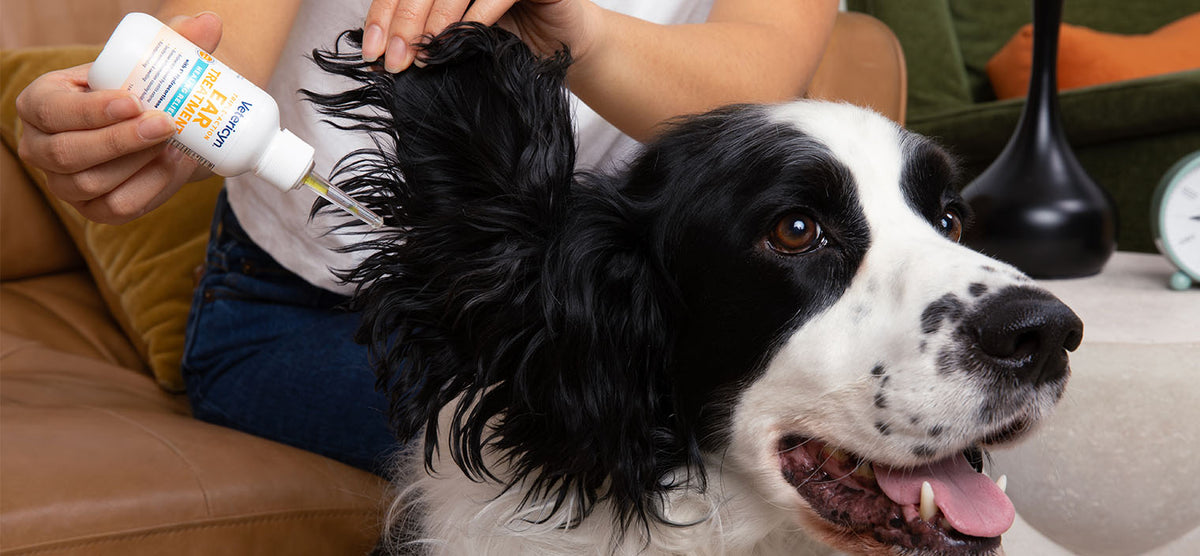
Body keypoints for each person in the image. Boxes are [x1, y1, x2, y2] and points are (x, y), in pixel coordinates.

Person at [15, 0, 838, 475]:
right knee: (616, 477)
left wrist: (574, 32)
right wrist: (143, 137)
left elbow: (755, 95)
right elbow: (212, 53)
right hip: (308, 311)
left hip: (604, 314)